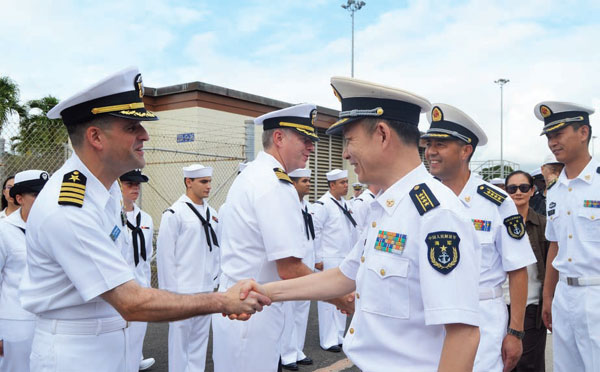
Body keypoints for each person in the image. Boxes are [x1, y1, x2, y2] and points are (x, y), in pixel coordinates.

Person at [18, 67, 269, 372]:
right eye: (132, 127)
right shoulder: (68, 206)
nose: (145, 135)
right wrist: (223, 301)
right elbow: (131, 302)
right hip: (77, 353)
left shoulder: (105, 191)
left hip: (111, 343)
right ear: (95, 136)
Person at [246, 77, 482, 372]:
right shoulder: (385, 208)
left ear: (382, 134)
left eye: (349, 140)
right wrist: (264, 292)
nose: (345, 153)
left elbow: (463, 334)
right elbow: (344, 277)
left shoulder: (436, 215)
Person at [212, 102, 347, 372]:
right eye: (305, 139)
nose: (311, 146)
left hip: (246, 307)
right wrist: (339, 295)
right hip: (251, 313)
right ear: (279, 137)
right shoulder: (274, 185)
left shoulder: (255, 175)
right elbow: (289, 268)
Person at [423, 103, 536, 372]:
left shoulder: (497, 203)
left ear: (466, 150)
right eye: (429, 144)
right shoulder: (422, 200)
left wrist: (516, 332)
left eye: (441, 144)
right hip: (432, 320)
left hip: (483, 317)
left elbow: (518, 269)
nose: (430, 151)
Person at [535, 101, 599, 371]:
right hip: (564, 296)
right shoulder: (557, 190)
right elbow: (555, 246)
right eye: (549, 136)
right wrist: (548, 297)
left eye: (558, 134)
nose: (552, 142)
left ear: (583, 132)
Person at [157, 164, 220, 372]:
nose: (208, 186)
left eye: (209, 181)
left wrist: (215, 280)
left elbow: (216, 250)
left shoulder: (212, 213)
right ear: (188, 182)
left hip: (205, 287)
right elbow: (166, 258)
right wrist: (169, 294)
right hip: (182, 290)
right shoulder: (175, 213)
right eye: (203, 182)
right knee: (179, 343)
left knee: (200, 342)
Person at [0, 170, 48, 372]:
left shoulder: (53, 228)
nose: (44, 200)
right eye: (36, 195)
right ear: (19, 198)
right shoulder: (4, 230)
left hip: (50, 323)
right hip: (15, 325)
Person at [504, 170, 549, 372]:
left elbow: (551, 266)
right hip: (501, 305)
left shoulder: (543, 225)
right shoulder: (497, 223)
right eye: (512, 188)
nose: (518, 193)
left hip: (532, 307)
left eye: (523, 188)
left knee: (528, 366)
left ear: (532, 191)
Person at [312, 168, 358, 352]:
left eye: (346, 182)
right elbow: (316, 232)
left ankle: (339, 336)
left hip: (344, 257)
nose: (346, 185)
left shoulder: (344, 204)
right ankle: (328, 339)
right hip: (329, 258)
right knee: (327, 302)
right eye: (342, 183)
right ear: (332, 185)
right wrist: (317, 257)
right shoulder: (323, 205)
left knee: (342, 299)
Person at [119, 169, 155, 371]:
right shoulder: (111, 216)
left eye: (137, 184)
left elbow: (147, 257)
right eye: (129, 184)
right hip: (119, 288)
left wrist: (148, 287)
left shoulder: (146, 219)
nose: (135, 188)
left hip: (140, 287)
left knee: (137, 335)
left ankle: (134, 362)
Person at [280, 168, 316, 371]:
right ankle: (286, 353)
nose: (309, 184)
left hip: (307, 262)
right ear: (293, 184)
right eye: (304, 181)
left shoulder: (308, 206)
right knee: (288, 310)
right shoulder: (286, 206)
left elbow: (314, 236)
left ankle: (298, 349)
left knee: (302, 310)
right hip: (292, 264)